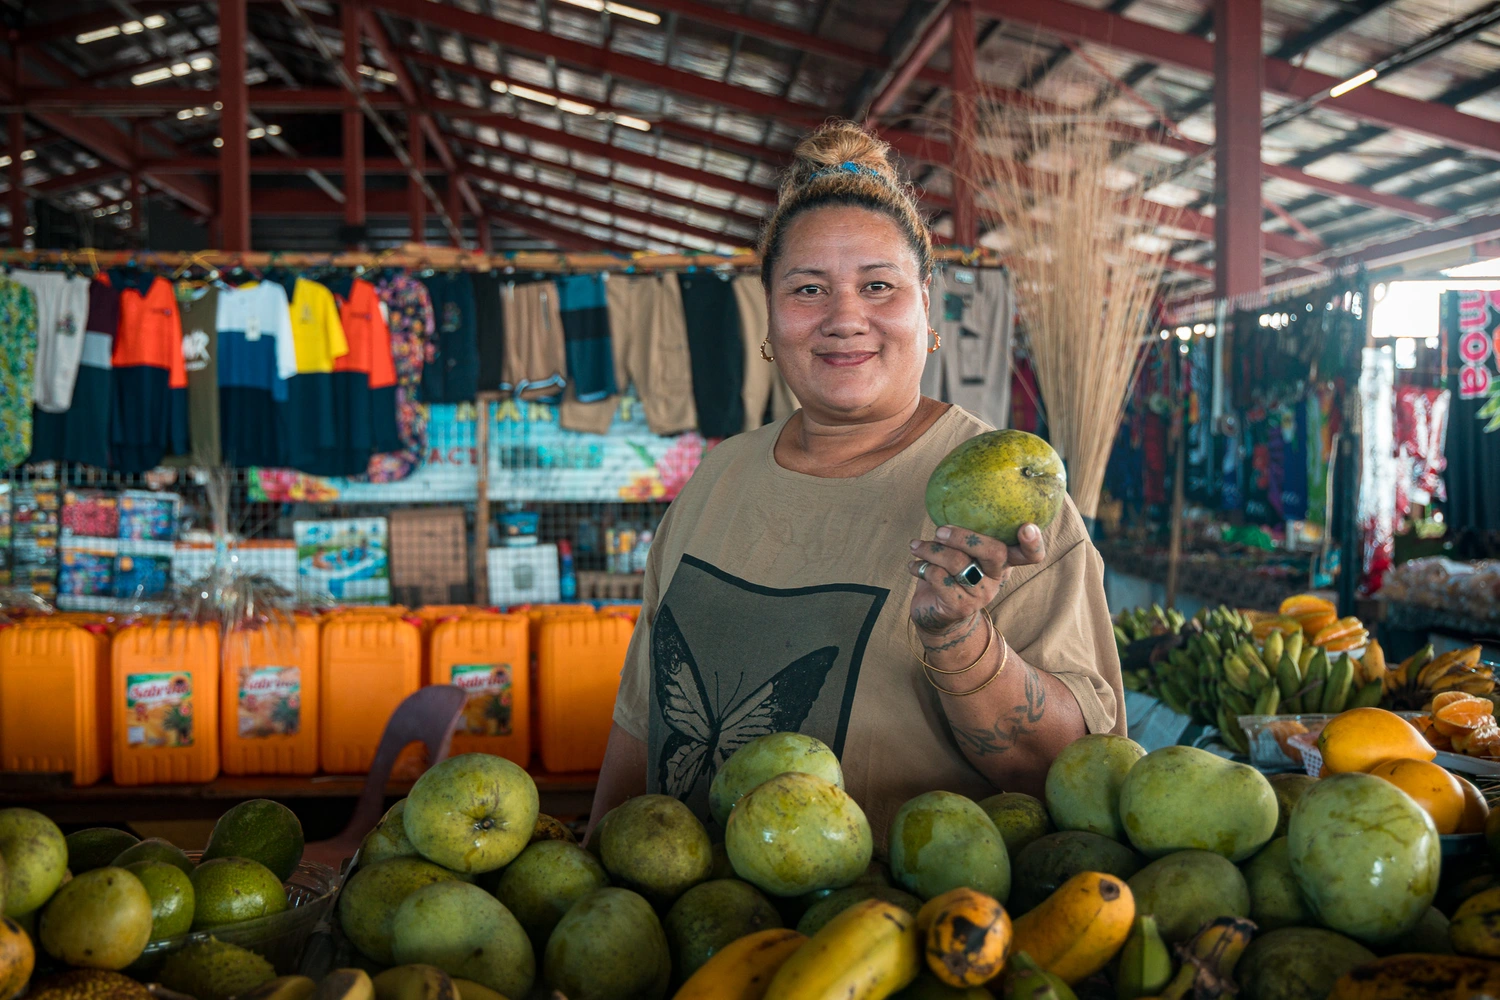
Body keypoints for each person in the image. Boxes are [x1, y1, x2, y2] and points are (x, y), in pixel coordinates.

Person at [589, 121, 1126, 847]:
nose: (845, 319)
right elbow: (641, 720)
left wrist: (960, 638)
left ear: (925, 306)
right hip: (688, 907)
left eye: (878, 286)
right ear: (770, 317)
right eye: (809, 289)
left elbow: (1073, 775)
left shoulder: (1008, 502)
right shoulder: (717, 478)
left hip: (897, 911)